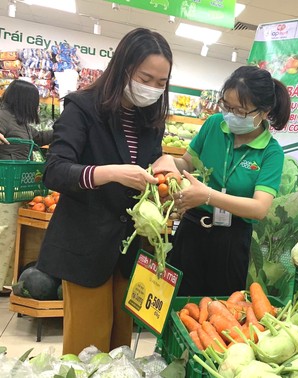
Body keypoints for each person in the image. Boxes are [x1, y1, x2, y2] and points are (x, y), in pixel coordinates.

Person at [36, 28, 172, 355]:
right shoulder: (82, 108)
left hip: (127, 249)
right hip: (85, 246)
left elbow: (147, 162)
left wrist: (164, 163)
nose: (152, 88)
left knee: (119, 347)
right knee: (87, 347)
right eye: (146, 77)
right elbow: (55, 171)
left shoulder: (150, 118)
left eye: (161, 82)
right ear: (124, 67)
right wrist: (108, 173)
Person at [152, 66, 291, 297]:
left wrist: (208, 196)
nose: (231, 115)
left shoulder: (271, 152)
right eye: (227, 106)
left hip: (232, 240)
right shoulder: (214, 125)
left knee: (221, 310)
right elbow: (188, 163)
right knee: (178, 303)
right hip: (192, 229)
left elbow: (259, 208)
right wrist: (167, 162)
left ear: (264, 112)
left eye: (241, 111)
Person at [0, 80, 53, 293]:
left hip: (18, 187)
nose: (36, 107)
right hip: (4, 187)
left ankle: (6, 281)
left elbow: (38, 138)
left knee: (13, 234)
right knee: (5, 232)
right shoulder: (3, 116)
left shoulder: (20, 122)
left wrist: (64, 129)